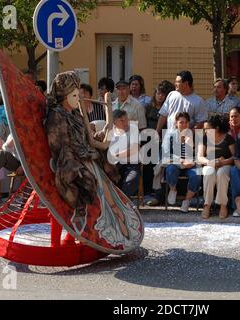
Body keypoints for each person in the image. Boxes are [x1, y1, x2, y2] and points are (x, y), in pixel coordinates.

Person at [45, 71, 141, 244]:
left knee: (106, 193)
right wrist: (80, 155)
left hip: (88, 159)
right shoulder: (57, 115)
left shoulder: (76, 115)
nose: (78, 98)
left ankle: (116, 226)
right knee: (92, 193)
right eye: (74, 95)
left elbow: (86, 138)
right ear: (64, 96)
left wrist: (98, 137)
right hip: (72, 164)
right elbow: (59, 144)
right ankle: (76, 235)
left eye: (78, 94)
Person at [197, 115, 236, 219]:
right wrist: (211, 162)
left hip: (225, 164)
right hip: (210, 163)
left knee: (221, 173)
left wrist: (223, 162)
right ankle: (207, 205)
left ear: (217, 128)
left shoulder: (228, 138)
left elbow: (235, 157)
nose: (205, 131)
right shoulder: (204, 138)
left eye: (208, 129)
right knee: (209, 173)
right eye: (204, 129)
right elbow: (200, 157)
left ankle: (223, 205)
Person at [162, 112, 201, 212]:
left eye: (186, 122)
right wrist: (181, 161)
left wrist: (193, 161)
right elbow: (166, 153)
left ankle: (186, 200)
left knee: (197, 175)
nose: (183, 125)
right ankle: (173, 189)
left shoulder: (193, 134)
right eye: (181, 122)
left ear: (188, 123)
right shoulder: (170, 135)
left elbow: (198, 152)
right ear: (176, 123)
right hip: (175, 162)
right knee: (170, 170)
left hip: (190, 163)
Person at [108, 109, 141, 197]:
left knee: (131, 180)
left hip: (131, 164)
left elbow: (134, 148)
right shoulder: (110, 130)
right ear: (114, 122)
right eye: (122, 120)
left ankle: (122, 203)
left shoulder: (133, 128)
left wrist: (117, 155)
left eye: (126, 119)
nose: (126, 122)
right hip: (114, 165)